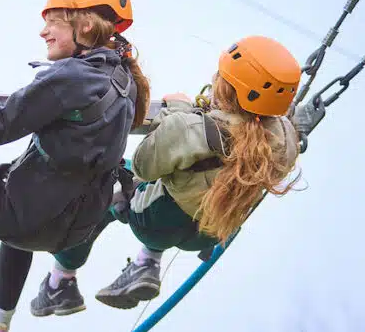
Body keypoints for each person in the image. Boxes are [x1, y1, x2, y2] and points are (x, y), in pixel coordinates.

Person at [0, 0, 151, 332]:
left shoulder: (71, 77)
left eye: (52, 22)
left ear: (85, 25)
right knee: (20, 190)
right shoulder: (126, 80)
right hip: (70, 228)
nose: (43, 32)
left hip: (27, 218)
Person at [45, 35, 303, 310]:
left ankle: (60, 283)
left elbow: (145, 165)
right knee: (189, 187)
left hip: (157, 222)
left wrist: (179, 114)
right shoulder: (286, 139)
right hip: (211, 232)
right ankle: (146, 264)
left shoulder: (190, 128)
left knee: (106, 183)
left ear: (226, 87)